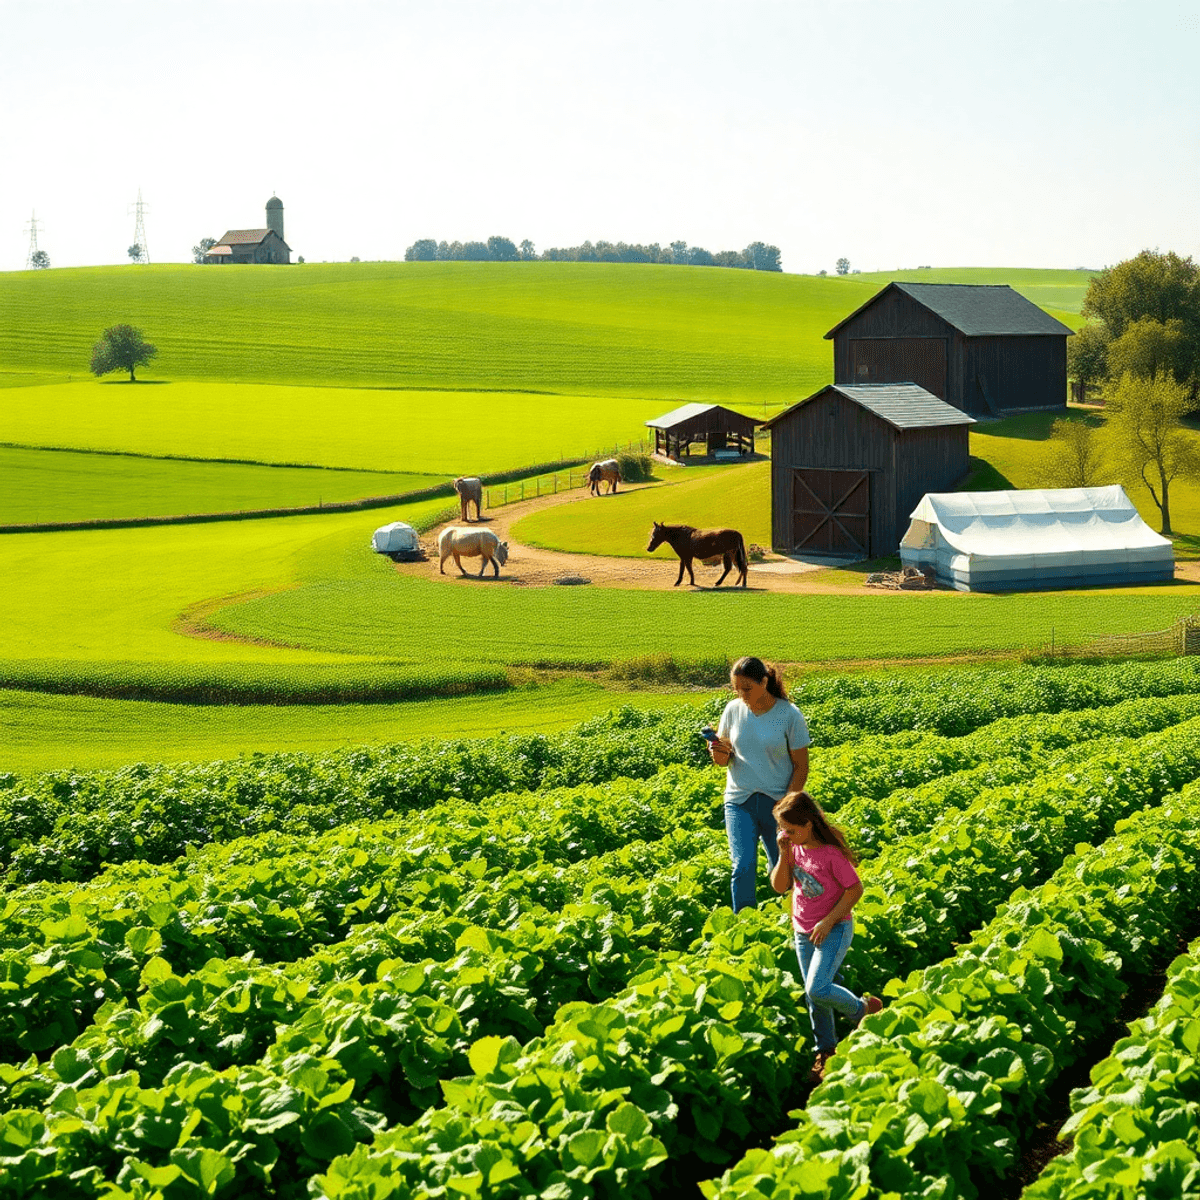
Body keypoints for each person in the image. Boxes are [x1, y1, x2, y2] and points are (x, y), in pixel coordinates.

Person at [771, 789, 882, 1084]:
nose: (786, 834)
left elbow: (855, 890)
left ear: (809, 825)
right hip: (802, 931)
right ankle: (826, 1050)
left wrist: (829, 920)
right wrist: (783, 853)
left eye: (791, 830)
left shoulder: (831, 855)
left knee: (817, 989)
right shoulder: (793, 848)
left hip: (834, 928)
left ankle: (863, 1011)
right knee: (815, 996)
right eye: (783, 829)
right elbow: (779, 886)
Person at [708, 656, 810, 912]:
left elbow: (801, 766)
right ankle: (743, 922)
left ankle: (794, 917)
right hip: (738, 801)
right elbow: (723, 760)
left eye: (747, 689)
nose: (741, 695)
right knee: (742, 865)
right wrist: (717, 750)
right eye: (736, 689)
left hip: (776, 802)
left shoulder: (789, 715)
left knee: (783, 864)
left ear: (764, 682)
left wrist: (787, 806)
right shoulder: (733, 710)